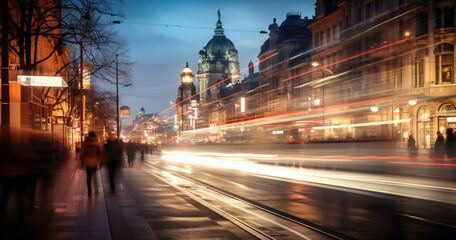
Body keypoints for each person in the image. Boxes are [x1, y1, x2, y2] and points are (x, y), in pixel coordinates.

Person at [80, 132, 103, 196]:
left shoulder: (85, 143)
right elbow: (100, 153)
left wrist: (81, 162)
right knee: (95, 176)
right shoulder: (96, 143)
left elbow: (82, 153)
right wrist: (100, 161)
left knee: (88, 176)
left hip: (87, 162)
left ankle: (89, 190)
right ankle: (96, 189)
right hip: (94, 161)